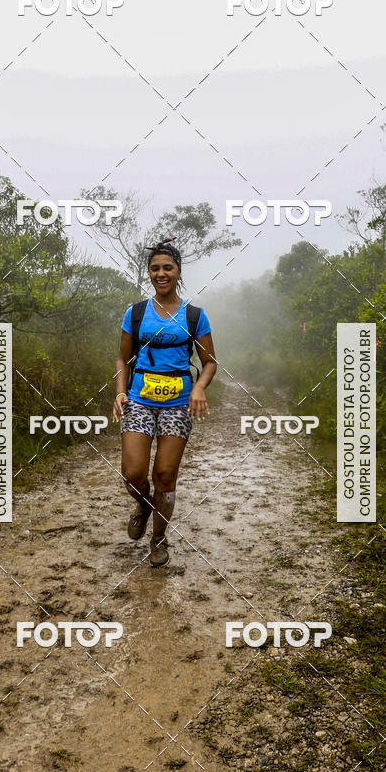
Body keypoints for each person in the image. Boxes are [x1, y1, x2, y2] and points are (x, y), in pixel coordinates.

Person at [112, 239, 217, 567]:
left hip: (178, 404)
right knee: (132, 473)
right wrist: (119, 392)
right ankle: (144, 505)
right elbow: (122, 359)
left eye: (167, 268)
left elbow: (210, 361)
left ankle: (158, 539)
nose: (161, 273)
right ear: (149, 273)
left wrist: (199, 387)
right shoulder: (137, 313)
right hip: (140, 400)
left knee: (165, 475)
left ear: (178, 272)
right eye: (155, 268)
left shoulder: (194, 316)